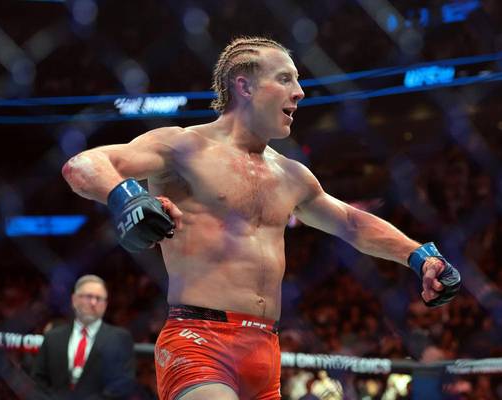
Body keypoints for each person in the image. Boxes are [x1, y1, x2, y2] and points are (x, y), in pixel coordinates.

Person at [61, 36, 460, 400]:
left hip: (265, 350)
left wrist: (419, 255)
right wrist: (126, 197)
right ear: (245, 86)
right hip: (199, 340)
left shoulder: (291, 175)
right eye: (285, 79)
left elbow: (352, 223)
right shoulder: (184, 146)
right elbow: (83, 164)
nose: (299, 91)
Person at [32, 274, 136, 399]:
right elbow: (39, 381)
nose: (93, 302)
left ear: (105, 304)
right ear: (74, 300)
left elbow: (122, 385)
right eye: (88, 296)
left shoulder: (120, 338)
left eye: (99, 298)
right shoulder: (53, 337)